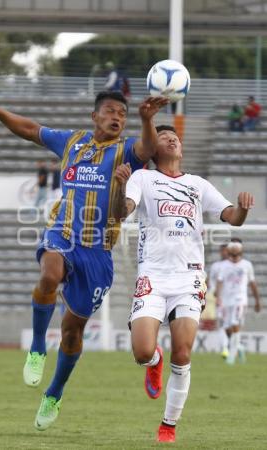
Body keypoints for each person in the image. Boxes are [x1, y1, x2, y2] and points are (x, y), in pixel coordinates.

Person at [0, 90, 168, 430]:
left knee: (72, 333)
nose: (117, 116)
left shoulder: (127, 151)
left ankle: (54, 393)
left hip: (98, 252)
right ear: (95, 117)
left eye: (122, 113)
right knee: (49, 275)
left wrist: (147, 119)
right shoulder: (72, 142)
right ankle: (36, 349)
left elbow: (149, 149)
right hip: (62, 232)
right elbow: (32, 130)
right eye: (110, 110)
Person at [113, 124, 254, 443]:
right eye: (163, 137)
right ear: (153, 149)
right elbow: (124, 211)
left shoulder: (197, 184)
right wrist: (121, 188)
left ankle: (168, 425)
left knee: (183, 351)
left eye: (174, 136)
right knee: (142, 350)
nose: (172, 139)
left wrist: (243, 208)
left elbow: (232, 216)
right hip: (152, 276)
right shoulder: (143, 178)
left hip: (189, 277)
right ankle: (153, 362)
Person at [216, 240, 261, 365]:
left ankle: (231, 356)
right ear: (229, 252)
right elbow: (220, 282)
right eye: (232, 253)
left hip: (240, 299)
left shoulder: (247, 265)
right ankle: (239, 347)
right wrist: (218, 297)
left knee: (235, 324)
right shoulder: (223, 265)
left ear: (241, 252)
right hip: (226, 300)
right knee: (227, 328)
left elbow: (252, 283)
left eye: (237, 253)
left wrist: (257, 300)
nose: (234, 256)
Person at [207, 244, 229, 358]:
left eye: (226, 250)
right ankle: (225, 348)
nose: (224, 253)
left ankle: (236, 347)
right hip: (219, 298)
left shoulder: (233, 265)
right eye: (222, 251)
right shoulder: (216, 266)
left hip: (232, 298)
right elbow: (211, 281)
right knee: (221, 323)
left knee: (232, 325)